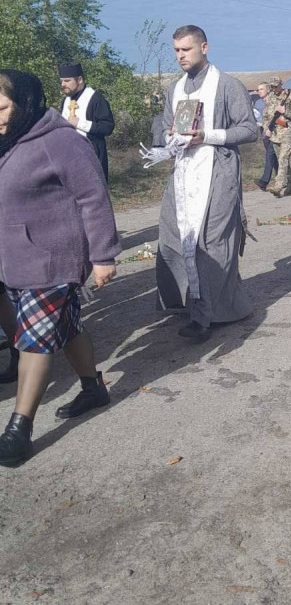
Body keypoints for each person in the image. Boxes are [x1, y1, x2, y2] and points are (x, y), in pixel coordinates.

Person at [0, 70, 119, 468]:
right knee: (66, 327)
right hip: (16, 257)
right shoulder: (8, 141)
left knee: (32, 338)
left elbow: (93, 197)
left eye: (1, 107)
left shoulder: (61, 141)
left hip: (52, 258)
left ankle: (19, 429)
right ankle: (93, 388)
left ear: (26, 103)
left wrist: (103, 255)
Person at [148, 25, 258, 343]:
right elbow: (168, 126)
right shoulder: (175, 89)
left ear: (204, 47)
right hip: (183, 173)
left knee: (210, 245)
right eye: (177, 50)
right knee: (173, 237)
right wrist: (167, 137)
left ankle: (210, 315)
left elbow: (249, 129)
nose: (181, 55)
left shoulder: (226, 85)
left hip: (217, 173)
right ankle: (189, 303)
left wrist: (207, 135)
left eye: (187, 49)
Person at [59, 61, 115, 181]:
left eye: (67, 81)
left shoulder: (96, 99)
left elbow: (107, 127)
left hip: (91, 155)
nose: (63, 84)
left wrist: (79, 124)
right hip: (68, 156)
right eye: (62, 81)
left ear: (79, 80)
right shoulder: (65, 101)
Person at [262, 76, 291, 197]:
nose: (274, 88)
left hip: (286, 133)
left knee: (283, 158)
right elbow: (265, 115)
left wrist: (285, 112)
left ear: (280, 85)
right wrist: (266, 128)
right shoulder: (271, 98)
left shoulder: (290, 98)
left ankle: (278, 185)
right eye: (272, 86)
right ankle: (290, 186)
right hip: (275, 134)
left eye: (275, 86)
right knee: (284, 161)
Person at [254, 81, 278, 191]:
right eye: (258, 89)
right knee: (274, 156)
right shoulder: (258, 103)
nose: (259, 91)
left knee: (270, 154)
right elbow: (255, 116)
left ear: (268, 90)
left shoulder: (274, 101)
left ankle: (264, 181)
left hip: (275, 132)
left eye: (261, 89)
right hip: (263, 132)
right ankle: (282, 178)